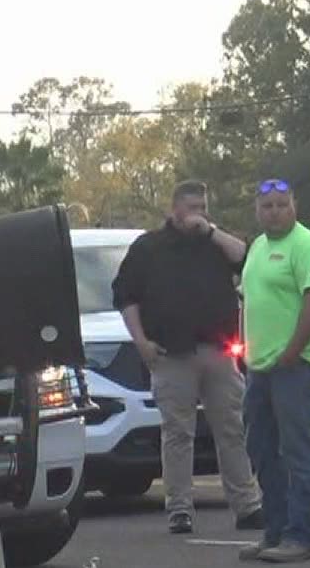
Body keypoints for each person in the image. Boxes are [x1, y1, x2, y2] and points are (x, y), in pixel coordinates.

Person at [110, 180, 263, 536]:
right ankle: (179, 508)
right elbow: (126, 296)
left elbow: (247, 259)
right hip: (171, 354)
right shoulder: (149, 248)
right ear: (174, 209)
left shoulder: (215, 244)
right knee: (178, 434)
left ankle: (247, 505)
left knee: (232, 429)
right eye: (192, 207)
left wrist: (210, 232)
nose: (199, 213)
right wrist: (142, 342)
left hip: (219, 351)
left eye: (203, 207)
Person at [240, 178, 310, 564]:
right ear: (257, 211)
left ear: (294, 205)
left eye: (282, 205)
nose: (275, 212)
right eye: (267, 206)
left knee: (298, 451)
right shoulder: (258, 248)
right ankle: (275, 530)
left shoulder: (308, 246)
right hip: (259, 367)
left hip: (295, 366)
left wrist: (293, 351)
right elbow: (250, 301)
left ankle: (303, 535)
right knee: (262, 450)